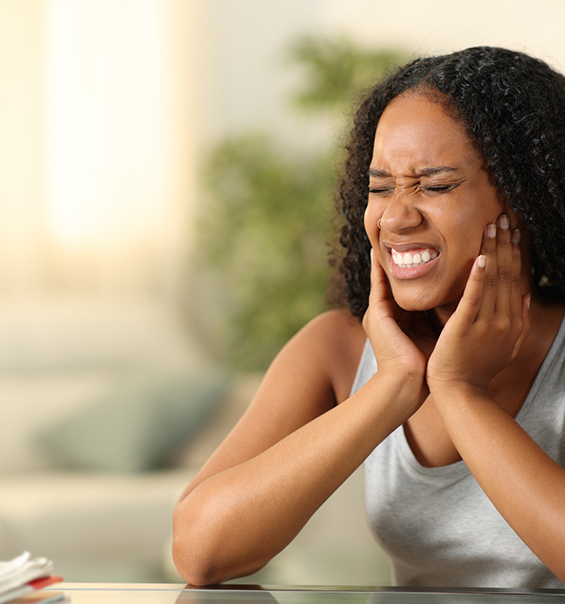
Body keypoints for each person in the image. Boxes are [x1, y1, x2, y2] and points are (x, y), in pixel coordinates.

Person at [172, 46, 565, 588]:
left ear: (524, 197)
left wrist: (459, 391)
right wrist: (394, 385)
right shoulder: (336, 350)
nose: (396, 217)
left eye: (435, 185)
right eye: (380, 187)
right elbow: (200, 552)